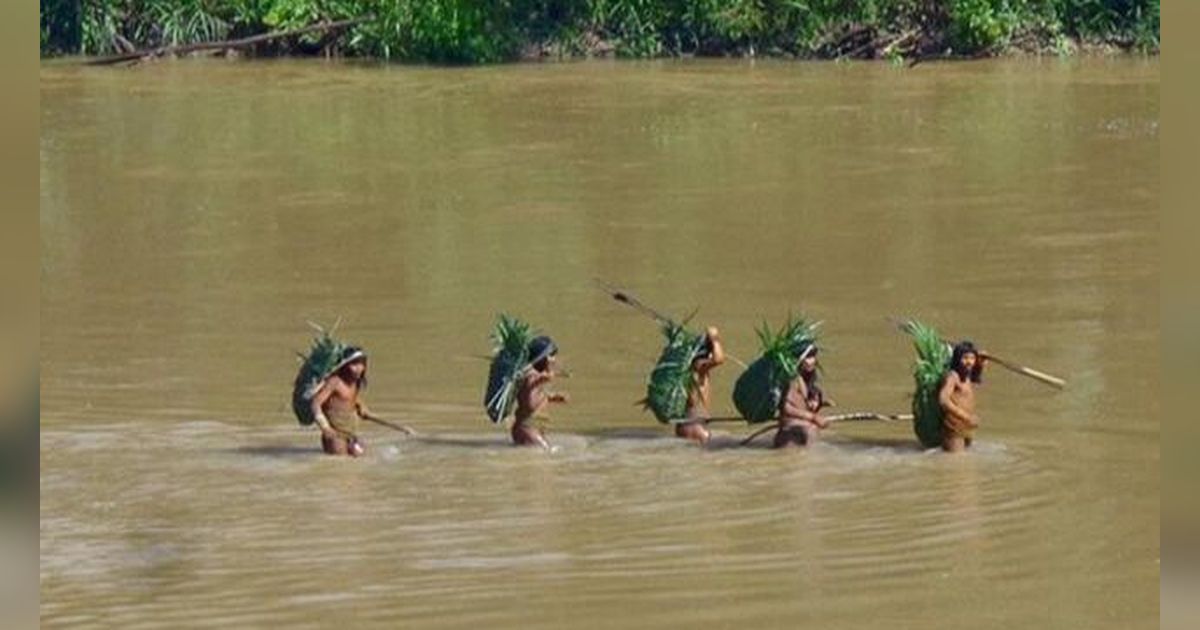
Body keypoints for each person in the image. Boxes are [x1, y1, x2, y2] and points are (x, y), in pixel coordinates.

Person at [309, 346, 372, 457]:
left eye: (362, 364)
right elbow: (315, 403)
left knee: (363, 457)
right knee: (341, 465)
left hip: (351, 434)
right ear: (345, 366)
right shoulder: (335, 382)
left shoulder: (356, 382)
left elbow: (348, 398)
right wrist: (325, 427)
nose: (359, 368)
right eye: (354, 364)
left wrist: (360, 406)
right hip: (334, 435)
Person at [513, 336, 568, 449]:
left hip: (535, 427)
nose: (554, 360)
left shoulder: (537, 378)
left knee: (543, 456)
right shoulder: (530, 376)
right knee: (545, 454)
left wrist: (552, 398)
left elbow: (535, 398)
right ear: (542, 358)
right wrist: (546, 374)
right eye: (551, 356)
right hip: (526, 428)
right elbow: (530, 390)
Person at [773, 343, 831, 448]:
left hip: (801, 433)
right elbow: (786, 408)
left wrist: (819, 403)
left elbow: (797, 403)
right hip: (791, 436)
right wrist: (813, 417)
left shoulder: (801, 379)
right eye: (808, 357)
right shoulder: (792, 379)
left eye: (813, 356)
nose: (812, 361)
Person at [675, 326, 725, 444]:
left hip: (683, 424)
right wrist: (714, 338)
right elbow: (719, 359)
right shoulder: (698, 366)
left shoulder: (685, 369)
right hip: (696, 425)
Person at [938, 341, 987, 453]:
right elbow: (943, 400)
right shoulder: (953, 376)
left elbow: (977, 379)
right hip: (954, 428)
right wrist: (966, 417)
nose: (969, 362)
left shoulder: (967, 375)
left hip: (966, 426)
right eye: (965, 358)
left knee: (967, 461)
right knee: (957, 462)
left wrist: (982, 363)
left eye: (972, 358)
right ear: (957, 359)